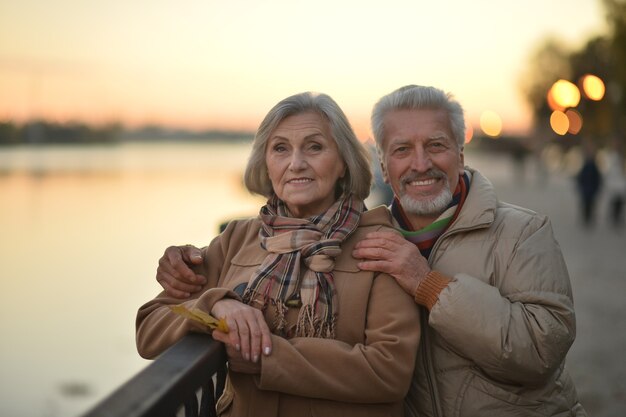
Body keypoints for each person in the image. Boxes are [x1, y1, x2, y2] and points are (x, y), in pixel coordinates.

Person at [156, 85, 586, 416]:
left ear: (460, 150)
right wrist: (217, 302)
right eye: (402, 150)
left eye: (435, 144)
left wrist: (427, 283)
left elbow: (540, 351)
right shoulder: (370, 232)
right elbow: (154, 318)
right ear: (382, 164)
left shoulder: (521, 231)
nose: (420, 163)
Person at [136, 91, 420, 417]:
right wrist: (216, 304)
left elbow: (390, 373)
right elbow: (150, 328)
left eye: (314, 147)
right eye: (281, 148)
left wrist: (266, 356)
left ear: (343, 162)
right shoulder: (237, 238)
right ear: (266, 163)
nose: (296, 163)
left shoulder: (381, 245)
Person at [575, 140, 602, 227]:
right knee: (586, 205)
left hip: (591, 189)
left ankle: (589, 219)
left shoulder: (593, 165)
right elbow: (581, 177)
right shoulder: (585, 164)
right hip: (585, 189)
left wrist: (596, 188)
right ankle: (586, 219)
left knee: (590, 205)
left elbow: (597, 178)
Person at [603, 138, 626, 228]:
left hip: (620, 184)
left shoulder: (621, 156)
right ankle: (614, 218)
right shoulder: (610, 155)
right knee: (614, 202)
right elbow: (608, 170)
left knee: (619, 203)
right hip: (613, 184)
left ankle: (617, 219)